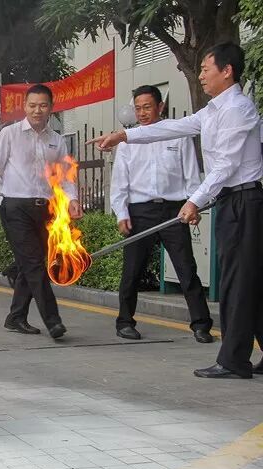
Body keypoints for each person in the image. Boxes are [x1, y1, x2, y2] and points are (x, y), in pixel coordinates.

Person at [91, 42, 263, 378]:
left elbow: (226, 164)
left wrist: (194, 200)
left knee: (237, 283)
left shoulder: (237, 109)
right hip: (231, 201)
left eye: (206, 69)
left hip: (243, 202)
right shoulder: (213, 110)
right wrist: (124, 136)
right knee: (249, 282)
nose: (200, 76)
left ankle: (233, 361)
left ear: (227, 71)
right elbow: (171, 128)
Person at [0, 84, 83, 339]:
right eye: (32, 105)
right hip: (15, 207)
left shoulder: (56, 140)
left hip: (46, 210)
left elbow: (65, 176)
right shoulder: (10, 134)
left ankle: (16, 317)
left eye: (43, 105)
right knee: (34, 263)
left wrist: (72, 199)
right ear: (24, 107)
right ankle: (53, 321)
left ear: (51, 108)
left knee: (30, 263)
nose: (37, 110)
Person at [110, 85, 214, 343]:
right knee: (132, 270)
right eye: (138, 108)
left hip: (173, 211)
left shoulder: (178, 135)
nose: (142, 113)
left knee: (186, 268)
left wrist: (194, 204)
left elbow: (191, 175)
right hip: (140, 211)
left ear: (160, 106)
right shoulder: (127, 141)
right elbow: (119, 183)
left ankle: (201, 325)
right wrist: (121, 214)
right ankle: (125, 322)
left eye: (147, 107)